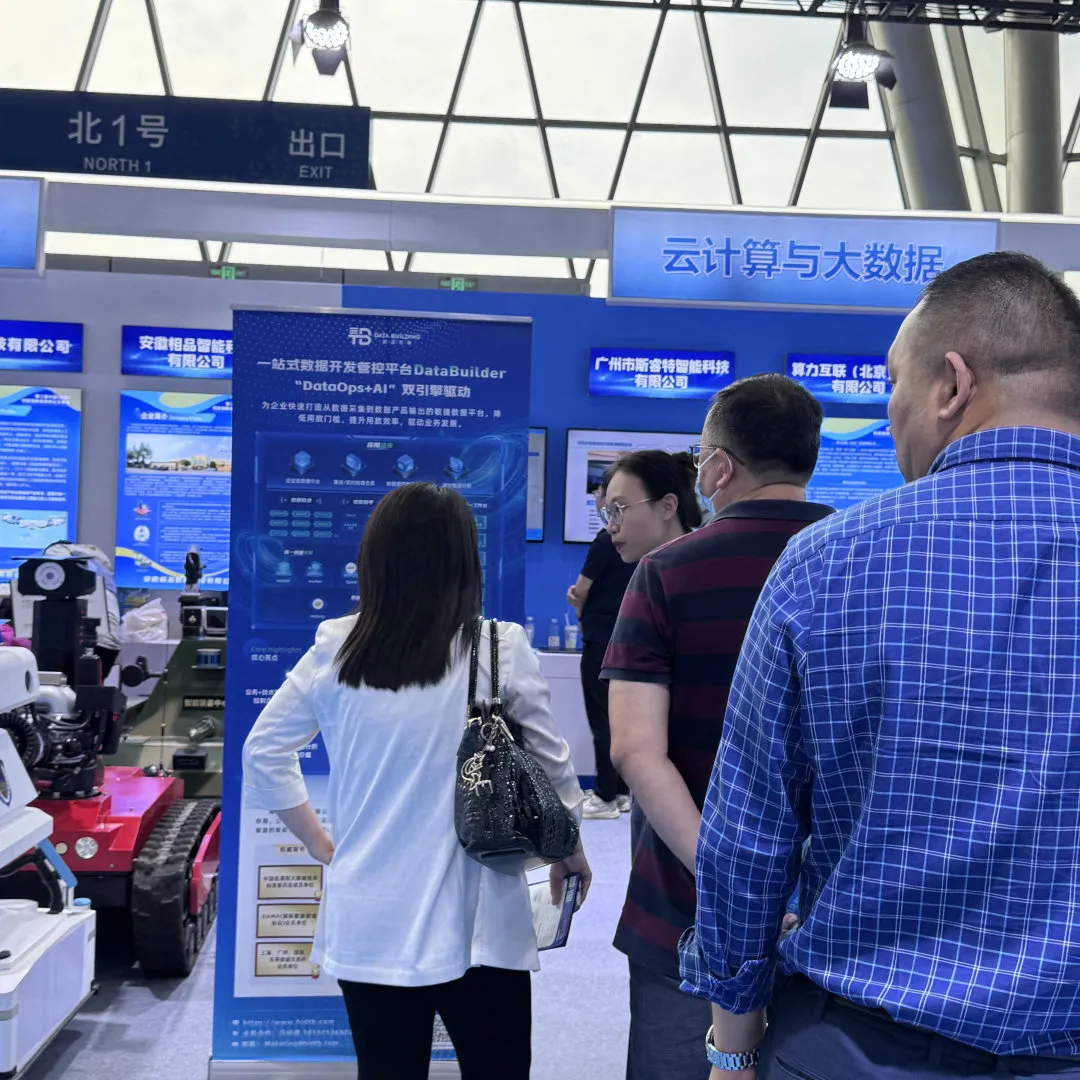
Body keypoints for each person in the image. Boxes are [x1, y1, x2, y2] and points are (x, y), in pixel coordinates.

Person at [682, 252, 1080, 1080]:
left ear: (952, 385)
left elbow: (748, 837)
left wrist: (733, 1042)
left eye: (894, 384)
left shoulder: (826, 563)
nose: (889, 413)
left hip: (855, 1047)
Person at [243, 482, 590, 1080]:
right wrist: (569, 849)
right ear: (465, 562)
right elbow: (554, 769)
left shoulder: (336, 648)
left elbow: (263, 751)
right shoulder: (497, 649)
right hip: (480, 919)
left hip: (369, 916)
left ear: (375, 560)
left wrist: (320, 845)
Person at [602, 376, 830, 1080]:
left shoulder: (665, 574)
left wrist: (728, 877)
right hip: (834, 911)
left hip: (686, 907)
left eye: (701, 457)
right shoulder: (871, 565)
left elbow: (635, 749)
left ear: (720, 468)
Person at [567, 472, 635, 820]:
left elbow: (581, 590)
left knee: (602, 720)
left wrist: (578, 607)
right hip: (628, 640)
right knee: (623, 719)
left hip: (600, 640)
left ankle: (605, 795)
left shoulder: (605, 541)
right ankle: (621, 792)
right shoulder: (637, 541)